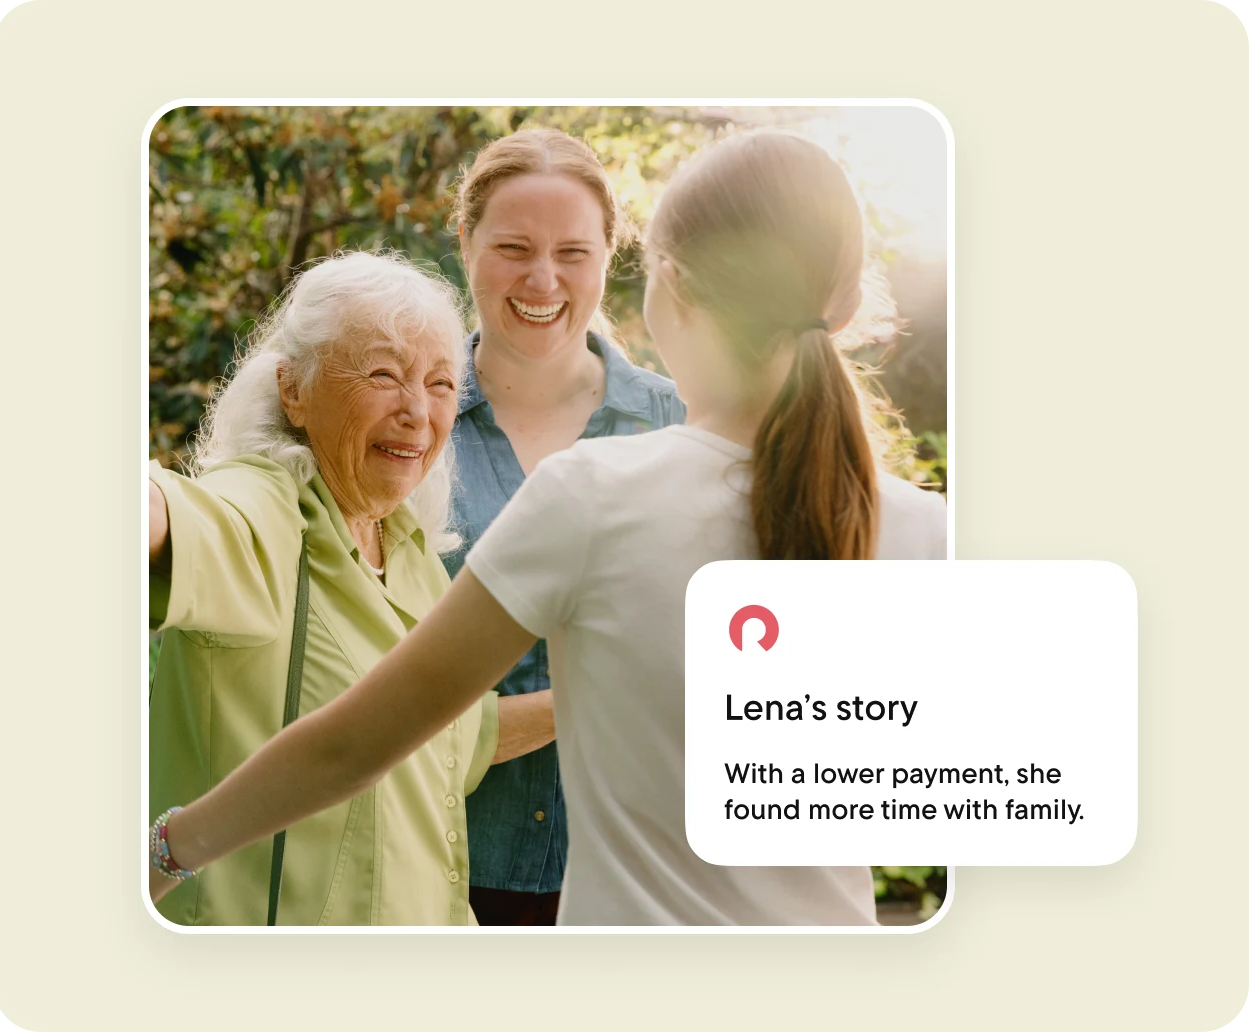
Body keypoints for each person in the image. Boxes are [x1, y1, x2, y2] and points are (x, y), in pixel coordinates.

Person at [147, 132, 947, 926]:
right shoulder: (924, 528)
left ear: (663, 282)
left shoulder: (593, 493)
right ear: (840, 306)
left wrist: (166, 853)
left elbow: (353, 745)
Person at [147, 251, 555, 926]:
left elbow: (446, 730)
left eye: (441, 385)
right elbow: (171, 516)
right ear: (295, 390)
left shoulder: (410, 550)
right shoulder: (267, 506)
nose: (417, 413)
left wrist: (595, 690)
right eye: (384, 375)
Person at [443, 128, 685, 925]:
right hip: (438, 873)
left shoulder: (680, 423)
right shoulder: (405, 423)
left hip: (635, 878)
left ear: (609, 256)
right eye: (513, 246)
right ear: (466, 242)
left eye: (573, 252)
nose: (542, 278)